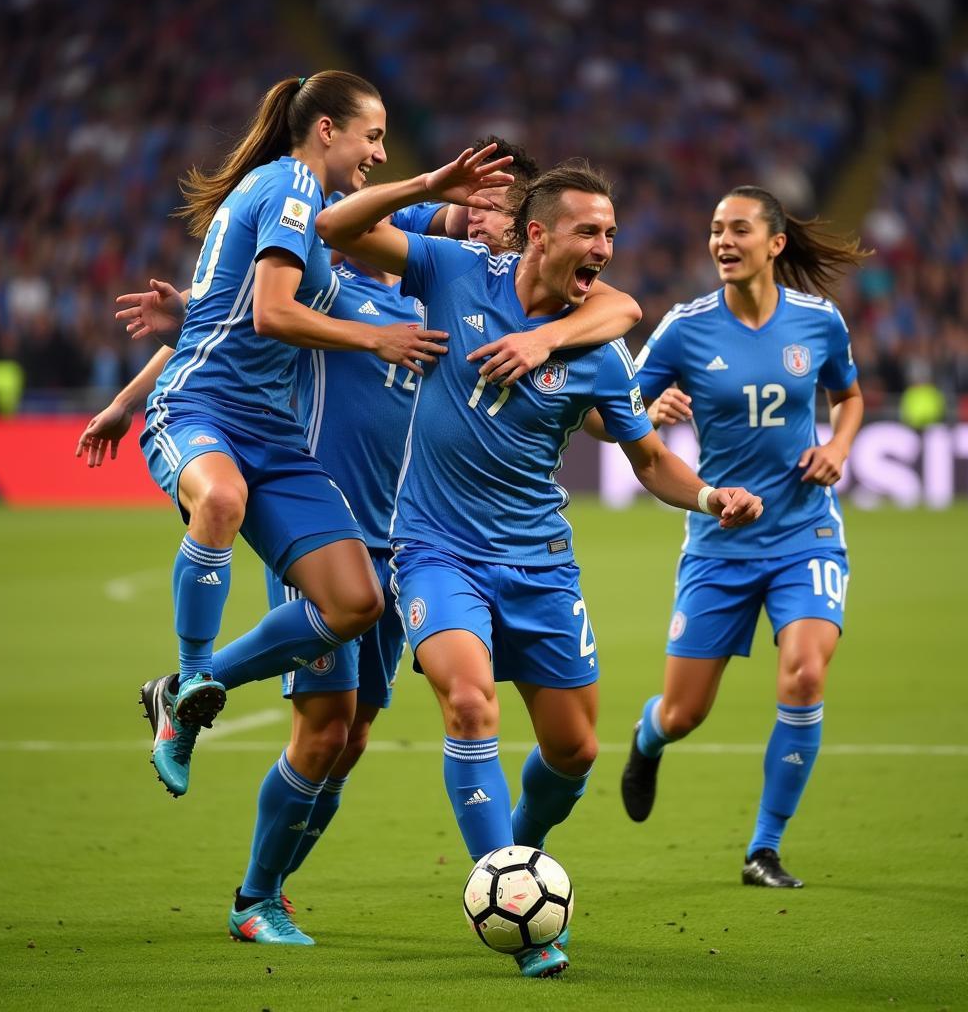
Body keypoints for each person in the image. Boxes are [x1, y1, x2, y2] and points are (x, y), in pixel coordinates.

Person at [79, 139, 643, 944]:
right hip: (330, 526)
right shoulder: (337, 282)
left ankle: (213, 752)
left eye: (502, 209)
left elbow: (614, 317)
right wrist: (130, 400)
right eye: (479, 204)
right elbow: (226, 323)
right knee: (322, 729)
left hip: (405, 538)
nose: (488, 218)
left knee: (351, 741)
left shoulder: (465, 300)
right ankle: (254, 894)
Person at [317, 157, 763, 977]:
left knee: (576, 751)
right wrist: (424, 189)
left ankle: (518, 853)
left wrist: (707, 498)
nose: (604, 246)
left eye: (612, 234)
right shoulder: (452, 270)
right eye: (589, 230)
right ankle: (514, 908)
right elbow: (336, 229)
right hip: (436, 550)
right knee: (467, 700)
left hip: (541, 563)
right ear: (537, 233)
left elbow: (649, 458)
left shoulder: (598, 345)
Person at [94, 70, 470, 946]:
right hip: (205, 413)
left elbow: (232, 305)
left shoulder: (324, 213)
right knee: (219, 499)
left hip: (291, 447)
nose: (378, 154)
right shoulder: (293, 186)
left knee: (354, 609)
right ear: (328, 130)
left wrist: (431, 195)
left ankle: (190, 693)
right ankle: (188, 685)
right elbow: (266, 313)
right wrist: (377, 333)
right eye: (370, 139)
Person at [612, 185, 868, 889]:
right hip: (718, 542)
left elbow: (848, 397)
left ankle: (764, 847)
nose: (723, 242)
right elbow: (617, 409)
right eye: (716, 229)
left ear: (775, 243)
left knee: (806, 672)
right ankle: (648, 735)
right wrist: (651, 407)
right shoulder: (684, 329)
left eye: (739, 229)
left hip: (805, 533)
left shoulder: (819, 322)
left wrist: (839, 448)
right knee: (685, 711)